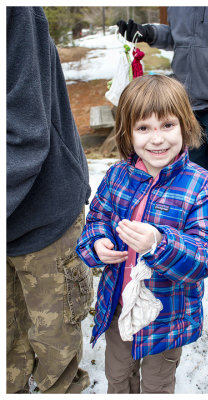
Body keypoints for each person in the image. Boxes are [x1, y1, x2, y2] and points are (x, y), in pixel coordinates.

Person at [76, 75, 208, 394]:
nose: (156, 139)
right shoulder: (117, 176)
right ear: (127, 133)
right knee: (117, 377)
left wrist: (158, 243)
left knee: (157, 386)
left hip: (166, 315)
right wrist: (97, 243)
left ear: (185, 126)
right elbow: (98, 219)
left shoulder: (202, 186)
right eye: (144, 128)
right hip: (118, 306)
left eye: (167, 125)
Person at [117, 7, 208, 246]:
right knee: (187, 175)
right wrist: (148, 32)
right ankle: (186, 235)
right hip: (188, 103)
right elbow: (182, 37)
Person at [7, 7, 93, 394]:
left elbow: (25, 133)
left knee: (57, 353)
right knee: (8, 353)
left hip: (46, 217)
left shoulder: (16, 15)